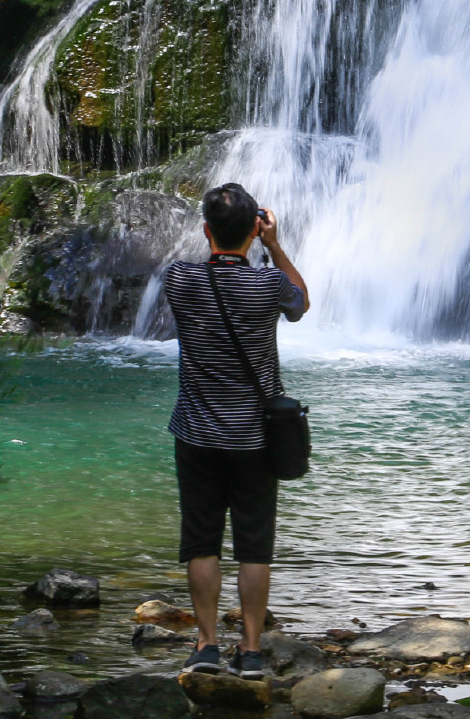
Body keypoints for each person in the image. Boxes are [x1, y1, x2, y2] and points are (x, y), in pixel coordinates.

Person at [159, 182, 310, 678]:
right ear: (254, 230)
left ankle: (205, 646)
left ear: (206, 231)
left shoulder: (178, 280)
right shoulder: (267, 285)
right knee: (253, 545)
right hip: (253, 438)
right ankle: (248, 651)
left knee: (201, 543)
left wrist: (229, 241)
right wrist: (275, 246)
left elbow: (202, 269)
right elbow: (301, 304)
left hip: (197, 434)